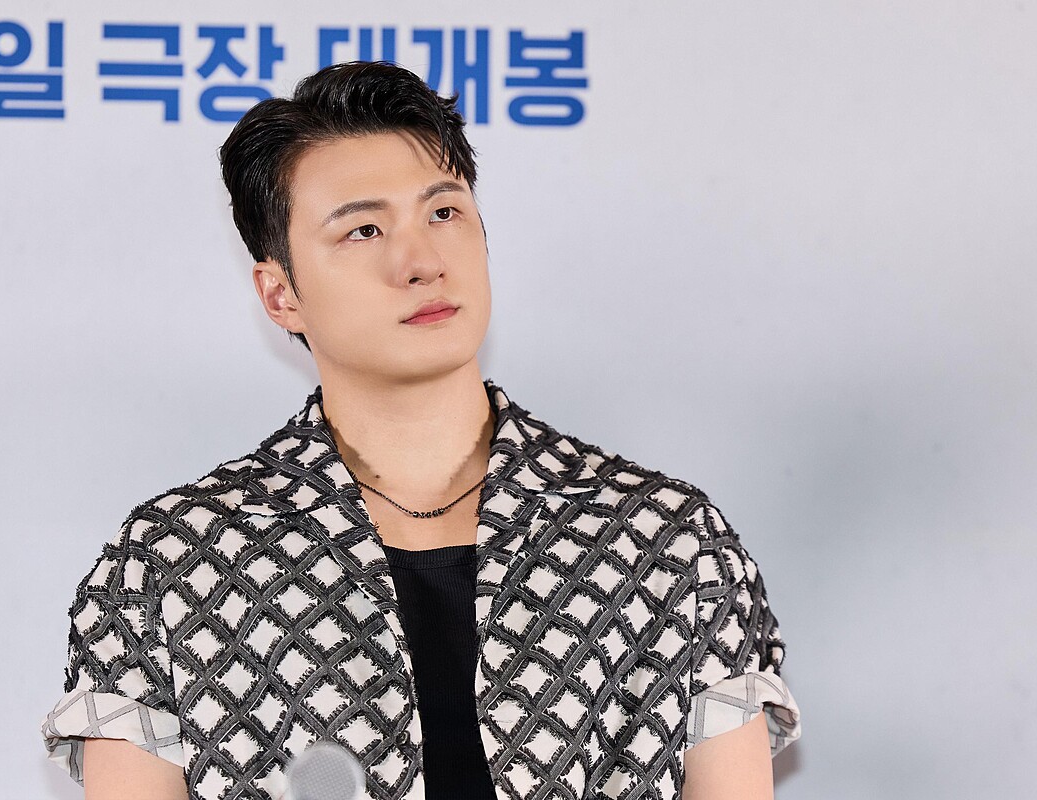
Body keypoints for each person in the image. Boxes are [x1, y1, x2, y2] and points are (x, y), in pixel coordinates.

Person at [42, 61, 800, 800]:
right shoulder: (174, 566)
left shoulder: (663, 541)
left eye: (443, 213)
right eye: (364, 229)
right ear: (280, 296)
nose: (421, 262)